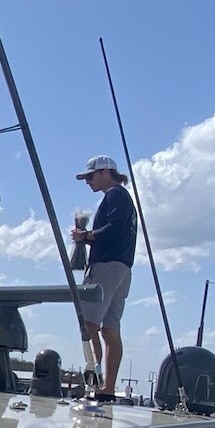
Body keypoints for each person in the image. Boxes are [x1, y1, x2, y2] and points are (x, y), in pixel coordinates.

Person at [70, 155, 135, 399]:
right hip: (123, 268)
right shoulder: (122, 197)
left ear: (105, 172)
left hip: (106, 267)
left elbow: (113, 230)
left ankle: (94, 380)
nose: (88, 182)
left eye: (90, 176)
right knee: (110, 329)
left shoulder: (114, 196)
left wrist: (85, 236)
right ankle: (107, 387)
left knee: (90, 324)